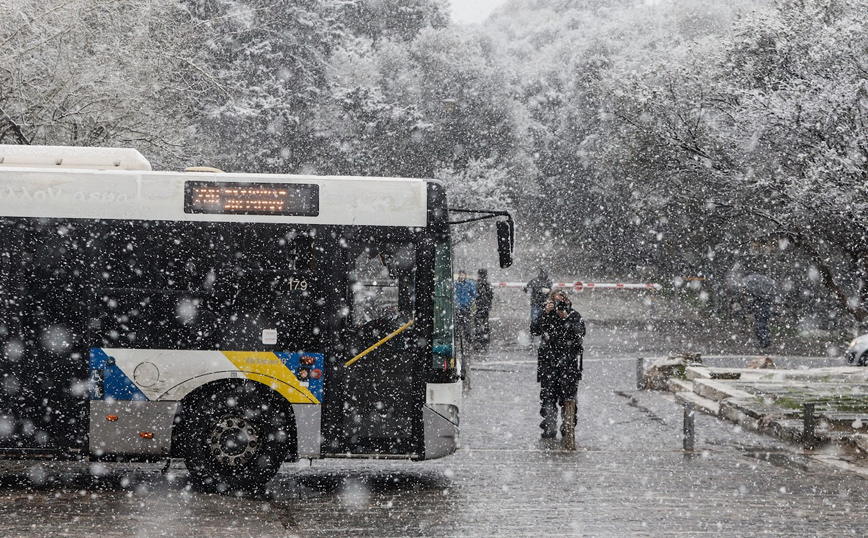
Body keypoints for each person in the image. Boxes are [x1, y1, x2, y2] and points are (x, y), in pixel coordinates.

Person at [531, 289, 586, 439]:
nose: (558, 304)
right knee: (548, 397)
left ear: (566, 300)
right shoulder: (547, 315)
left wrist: (566, 318)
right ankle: (549, 426)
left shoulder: (574, 315)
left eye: (561, 301)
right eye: (555, 301)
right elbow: (534, 330)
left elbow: (580, 332)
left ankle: (568, 427)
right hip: (548, 363)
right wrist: (545, 314)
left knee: (568, 397)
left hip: (568, 364)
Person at [453, 270, 477, 350]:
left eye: (463, 275)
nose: (462, 276)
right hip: (458, 307)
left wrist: (469, 302)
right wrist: (456, 302)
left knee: (467, 325)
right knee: (458, 324)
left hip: (466, 307)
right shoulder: (456, 284)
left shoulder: (469, 284)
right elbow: (453, 294)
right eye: (460, 275)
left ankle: (468, 340)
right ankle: (458, 341)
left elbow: (474, 294)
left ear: (465, 276)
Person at [474, 268, 494, 350]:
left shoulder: (481, 283)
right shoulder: (487, 283)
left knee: (479, 322)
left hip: (481, 306)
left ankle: (480, 338)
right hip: (484, 306)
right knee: (484, 322)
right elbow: (491, 295)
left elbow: (480, 294)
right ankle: (484, 338)